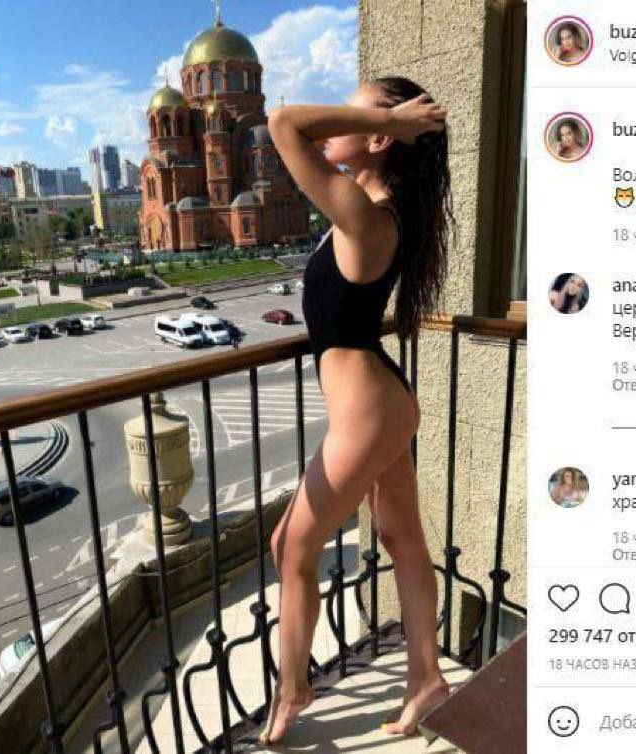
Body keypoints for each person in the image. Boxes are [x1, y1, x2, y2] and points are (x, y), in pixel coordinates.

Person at [263, 77, 452, 745]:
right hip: (378, 401)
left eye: (354, 109)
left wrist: (392, 121)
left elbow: (284, 122)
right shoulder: (368, 208)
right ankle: (427, 678)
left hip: (369, 410)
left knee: (290, 547)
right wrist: (382, 122)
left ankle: (292, 689)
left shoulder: (367, 217)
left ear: (380, 138)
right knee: (403, 541)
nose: (335, 118)